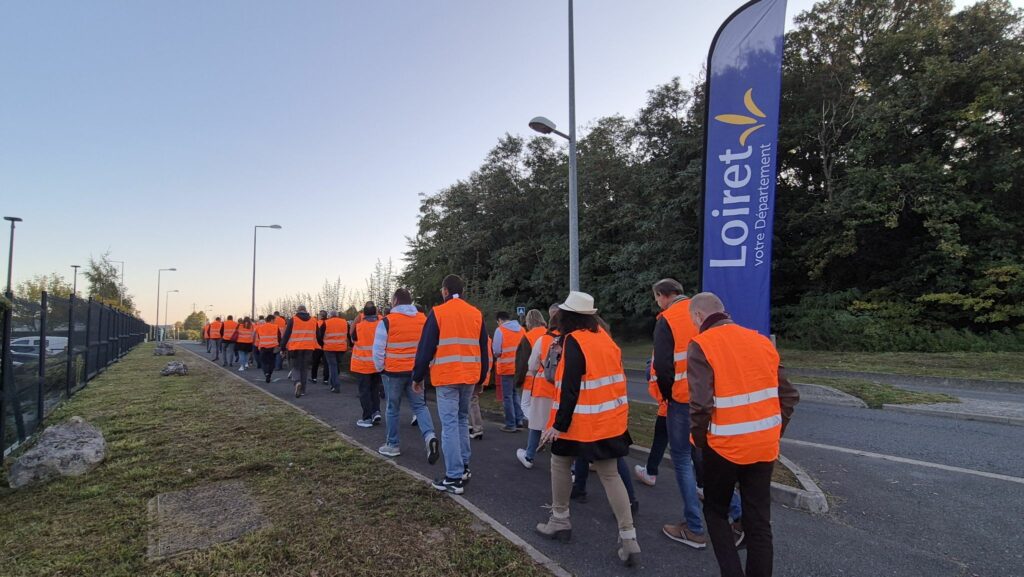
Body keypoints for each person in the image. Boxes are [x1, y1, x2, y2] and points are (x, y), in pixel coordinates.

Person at [687, 292, 800, 577]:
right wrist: (774, 431)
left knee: (715, 511)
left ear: (698, 316)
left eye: (693, 321)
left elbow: (701, 405)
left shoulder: (701, 344)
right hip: (763, 446)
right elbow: (788, 395)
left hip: (723, 447)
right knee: (759, 521)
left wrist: (699, 440)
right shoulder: (760, 341)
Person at [535, 291, 639, 566]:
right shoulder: (605, 339)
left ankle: (559, 520)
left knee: (559, 463)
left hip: (579, 422)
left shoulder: (574, 341)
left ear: (568, 316)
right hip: (609, 421)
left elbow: (570, 388)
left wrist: (557, 425)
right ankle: (629, 537)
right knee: (610, 475)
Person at [412, 274, 488, 495]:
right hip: (469, 377)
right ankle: (463, 467)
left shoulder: (438, 313)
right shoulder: (475, 314)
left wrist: (417, 377)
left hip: (447, 377)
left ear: (445, 291)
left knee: (450, 425)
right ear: (462, 291)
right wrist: (482, 378)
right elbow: (484, 349)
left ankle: (454, 477)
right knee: (462, 420)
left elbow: (425, 348)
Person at [373, 288, 439, 464]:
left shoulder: (387, 322)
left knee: (392, 408)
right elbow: (431, 346)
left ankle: (392, 444)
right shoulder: (423, 320)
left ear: (395, 301)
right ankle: (430, 436)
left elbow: (378, 350)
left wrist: (381, 369)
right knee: (420, 406)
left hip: (393, 373)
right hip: (416, 372)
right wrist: (426, 366)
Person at [515, 306, 555, 468]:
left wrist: (517, 381)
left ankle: (531, 452)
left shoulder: (532, 337)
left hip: (537, 382)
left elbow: (527, 364)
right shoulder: (559, 337)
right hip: (557, 385)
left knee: (532, 414)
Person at [634, 355, 669, 487]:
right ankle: (701, 483)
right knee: (691, 447)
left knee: (661, 439)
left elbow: (653, 372)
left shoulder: (666, 344)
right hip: (691, 405)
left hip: (670, 405)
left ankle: (650, 472)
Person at [351, 303, 383, 427]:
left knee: (364, 392)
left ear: (363, 313)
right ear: (376, 312)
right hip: (377, 364)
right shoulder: (381, 325)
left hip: (363, 364)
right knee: (375, 389)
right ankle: (376, 412)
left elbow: (352, 339)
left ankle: (367, 418)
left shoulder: (359, 327)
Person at [493, 311, 527, 432]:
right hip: (519, 368)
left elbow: (497, 351)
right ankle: (519, 420)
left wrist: (498, 355)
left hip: (506, 367)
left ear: (500, 320)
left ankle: (510, 424)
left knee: (507, 396)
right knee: (515, 394)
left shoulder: (500, 330)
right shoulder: (522, 330)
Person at [279, 305, 319, 398]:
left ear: (298, 310)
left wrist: (282, 347)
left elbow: (286, 335)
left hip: (295, 348)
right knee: (304, 369)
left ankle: (297, 382)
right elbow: (318, 335)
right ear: (306, 310)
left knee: (296, 367)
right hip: (309, 348)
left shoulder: (293, 320)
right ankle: (303, 390)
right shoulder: (314, 320)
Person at [319, 311, 349, 393]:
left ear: (330, 316)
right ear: (337, 315)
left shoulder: (326, 323)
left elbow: (320, 335)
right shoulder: (344, 322)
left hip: (329, 348)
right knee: (336, 365)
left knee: (333, 367)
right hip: (341, 348)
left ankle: (336, 385)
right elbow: (349, 334)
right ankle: (334, 383)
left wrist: (322, 345)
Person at [255, 314, 281, 383]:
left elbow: (259, 337)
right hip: (273, 347)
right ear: (271, 320)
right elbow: (279, 337)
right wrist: (279, 345)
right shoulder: (275, 327)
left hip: (263, 347)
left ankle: (266, 373)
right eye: (274, 320)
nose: (274, 322)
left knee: (263, 361)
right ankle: (269, 373)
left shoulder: (260, 327)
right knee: (272, 362)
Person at [310, 310, 329, 384]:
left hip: (318, 346)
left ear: (321, 316)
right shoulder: (329, 323)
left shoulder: (317, 323)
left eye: (318, 315)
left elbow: (317, 335)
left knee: (315, 363)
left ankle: (314, 378)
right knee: (326, 364)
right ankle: (326, 379)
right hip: (326, 346)